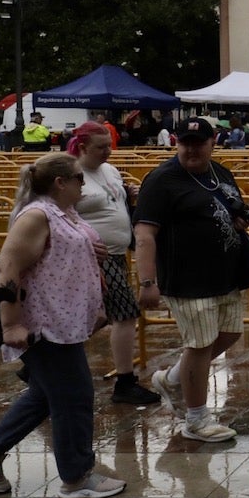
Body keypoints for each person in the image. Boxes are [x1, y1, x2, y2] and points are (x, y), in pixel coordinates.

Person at [0, 153, 126, 498]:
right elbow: (8, 271)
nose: (83, 184)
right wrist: (10, 327)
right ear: (60, 182)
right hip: (45, 324)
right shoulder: (36, 216)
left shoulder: (64, 213)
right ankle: (76, 476)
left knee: (45, 394)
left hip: (66, 320)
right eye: (78, 179)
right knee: (74, 396)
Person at [134, 117, 249, 443]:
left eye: (199, 143)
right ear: (175, 142)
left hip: (225, 275)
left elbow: (227, 208)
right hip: (187, 278)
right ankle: (196, 419)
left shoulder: (220, 173)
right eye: (185, 143)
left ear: (214, 142)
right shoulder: (161, 180)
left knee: (229, 334)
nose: (191, 149)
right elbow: (144, 234)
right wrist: (147, 282)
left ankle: (172, 378)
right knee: (199, 347)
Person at [67, 122, 161, 406]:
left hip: (117, 252)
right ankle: (125, 381)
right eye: (101, 147)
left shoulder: (109, 170)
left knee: (99, 314)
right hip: (94, 255)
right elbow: (57, 212)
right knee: (125, 313)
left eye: (109, 145)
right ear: (82, 147)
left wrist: (127, 194)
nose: (108, 151)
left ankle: (44, 356)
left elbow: (111, 200)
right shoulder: (71, 174)